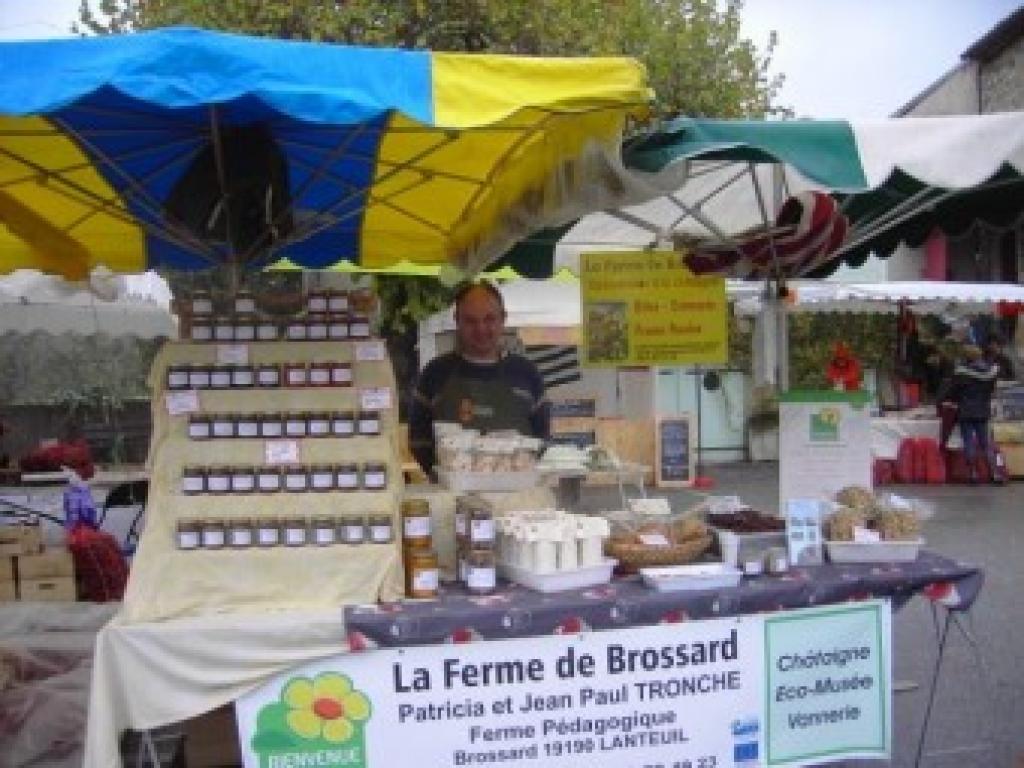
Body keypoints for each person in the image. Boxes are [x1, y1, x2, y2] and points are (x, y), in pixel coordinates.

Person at [409, 281, 550, 474]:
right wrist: (445, 475)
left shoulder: (526, 372)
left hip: (516, 498)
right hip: (455, 497)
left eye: (489, 319)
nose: (481, 329)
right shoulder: (435, 372)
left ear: (503, 319)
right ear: (456, 320)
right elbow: (418, 441)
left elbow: (543, 438)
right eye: (470, 321)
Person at [943, 344, 1002, 484]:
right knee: (985, 444)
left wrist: (949, 400)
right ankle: (994, 473)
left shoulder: (961, 373)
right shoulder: (990, 372)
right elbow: (991, 390)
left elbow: (953, 391)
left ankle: (973, 474)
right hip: (982, 410)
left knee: (968, 442)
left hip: (966, 410)